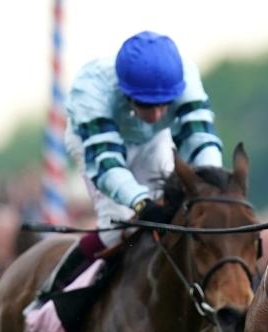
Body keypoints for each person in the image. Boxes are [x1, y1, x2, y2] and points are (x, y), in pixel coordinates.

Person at [53, 31, 224, 289]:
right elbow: (107, 163)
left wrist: (213, 187)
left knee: (179, 210)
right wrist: (141, 202)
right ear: (125, 92)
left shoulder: (186, 76)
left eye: (164, 104)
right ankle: (54, 289)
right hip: (96, 145)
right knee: (117, 225)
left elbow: (200, 140)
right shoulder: (91, 89)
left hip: (152, 141)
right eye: (146, 104)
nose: (156, 115)